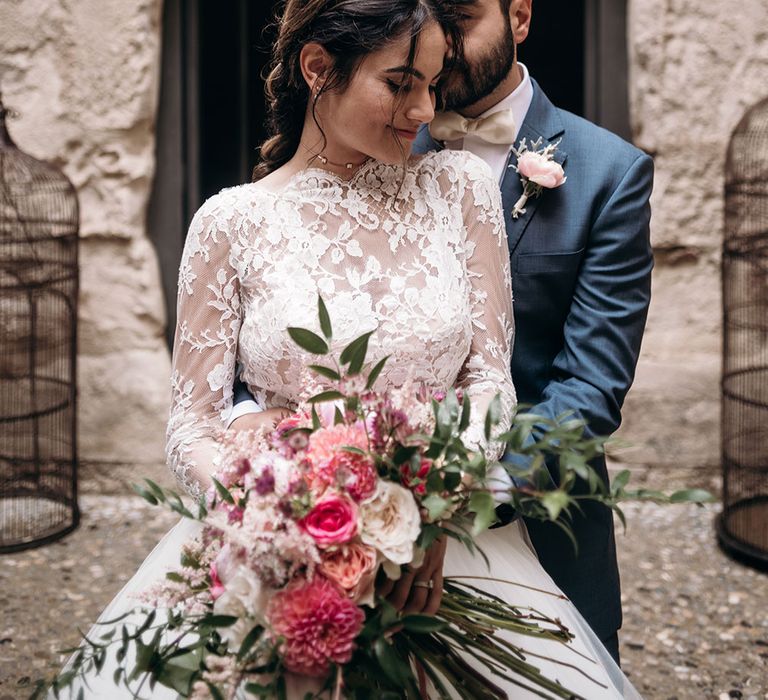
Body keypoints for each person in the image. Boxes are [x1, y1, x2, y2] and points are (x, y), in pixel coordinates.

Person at [64, 0, 642, 697]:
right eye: (401, 83)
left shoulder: (460, 189)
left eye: (432, 82)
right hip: (284, 553)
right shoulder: (229, 222)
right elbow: (193, 422)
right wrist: (283, 513)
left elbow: (491, 379)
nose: (425, 108)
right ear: (317, 68)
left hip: (446, 541)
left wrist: (425, 510)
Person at [230, 0, 655, 667]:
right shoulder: (365, 128)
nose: (439, 46)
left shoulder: (609, 174)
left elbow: (588, 395)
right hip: (333, 531)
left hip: (524, 530)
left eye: (458, 17)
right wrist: (275, 445)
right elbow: (272, 324)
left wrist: (435, 498)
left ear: (519, 17)